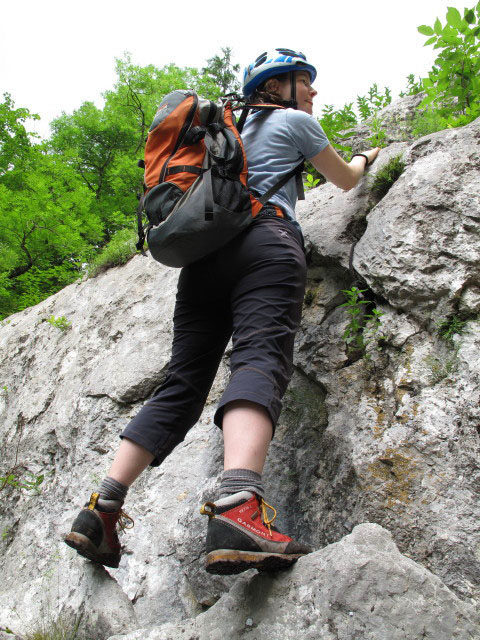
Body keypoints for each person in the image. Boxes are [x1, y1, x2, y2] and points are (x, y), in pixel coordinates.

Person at [65, 49, 379, 575]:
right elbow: (345, 179)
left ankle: (102, 509)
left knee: (180, 385)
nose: (313, 93)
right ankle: (238, 506)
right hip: (266, 243)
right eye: (305, 82)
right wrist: (368, 159)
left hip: (204, 261)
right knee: (258, 357)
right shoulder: (294, 122)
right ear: (278, 86)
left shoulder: (219, 136)